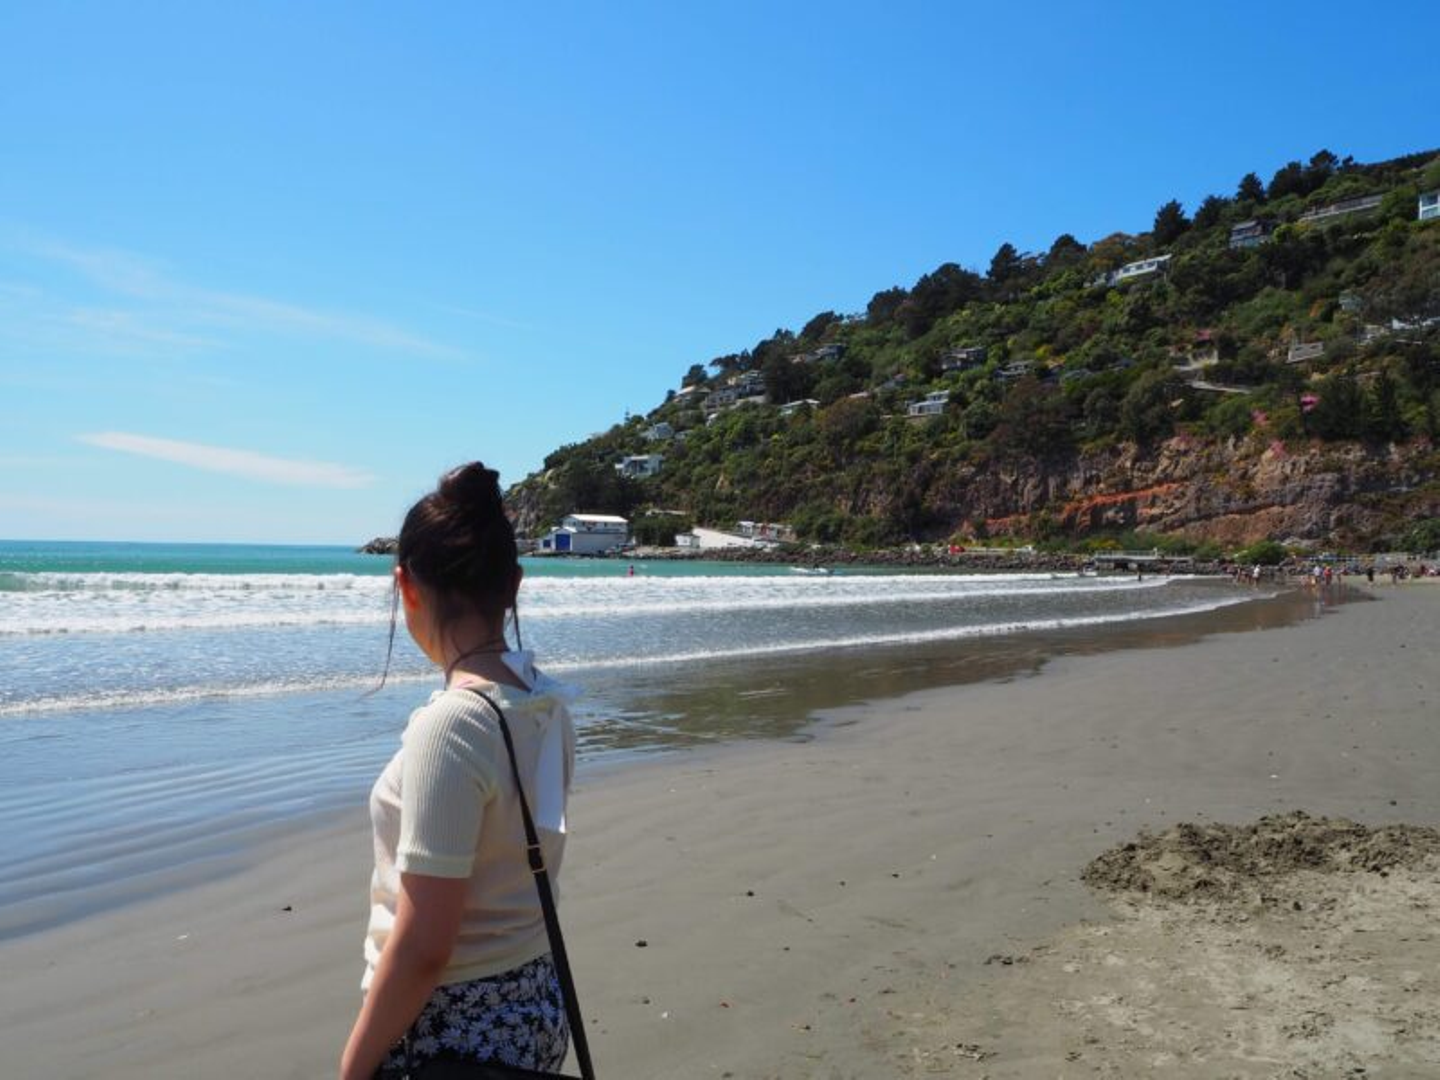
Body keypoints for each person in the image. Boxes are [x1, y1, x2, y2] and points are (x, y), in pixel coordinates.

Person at [341, 463, 577, 1080]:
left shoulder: (450, 726)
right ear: (514, 585)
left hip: (451, 1033)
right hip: (534, 1007)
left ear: (406, 586)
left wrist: (351, 1070)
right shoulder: (548, 704)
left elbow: (425, 948)